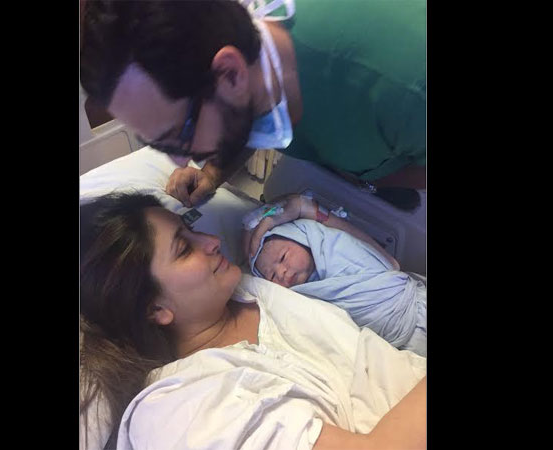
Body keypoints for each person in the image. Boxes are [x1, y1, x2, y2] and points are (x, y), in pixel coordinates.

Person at [80, 191, 426, 449]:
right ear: (154, 310)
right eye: (184, 249)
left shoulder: (248, 287)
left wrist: (303, 207)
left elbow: (375, 266)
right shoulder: (182, 411)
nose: (213, 241)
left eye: (191, 228)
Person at [80, 0, 426, 209]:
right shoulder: (233, 44)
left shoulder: (405, 83)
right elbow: (241, 113)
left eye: (179, 136)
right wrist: (213, 173)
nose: (180, 160)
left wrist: (378, 180)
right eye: (157, 143)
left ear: (231, 73)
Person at [245, 193, 427, 356]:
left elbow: (392, 264)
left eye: (283, 257)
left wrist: (278, 215)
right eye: (271, 276)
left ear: (304, 238)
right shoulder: (301, 298)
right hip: (398, 346)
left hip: (416, 306)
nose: (281, 272)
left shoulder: (334, 244)